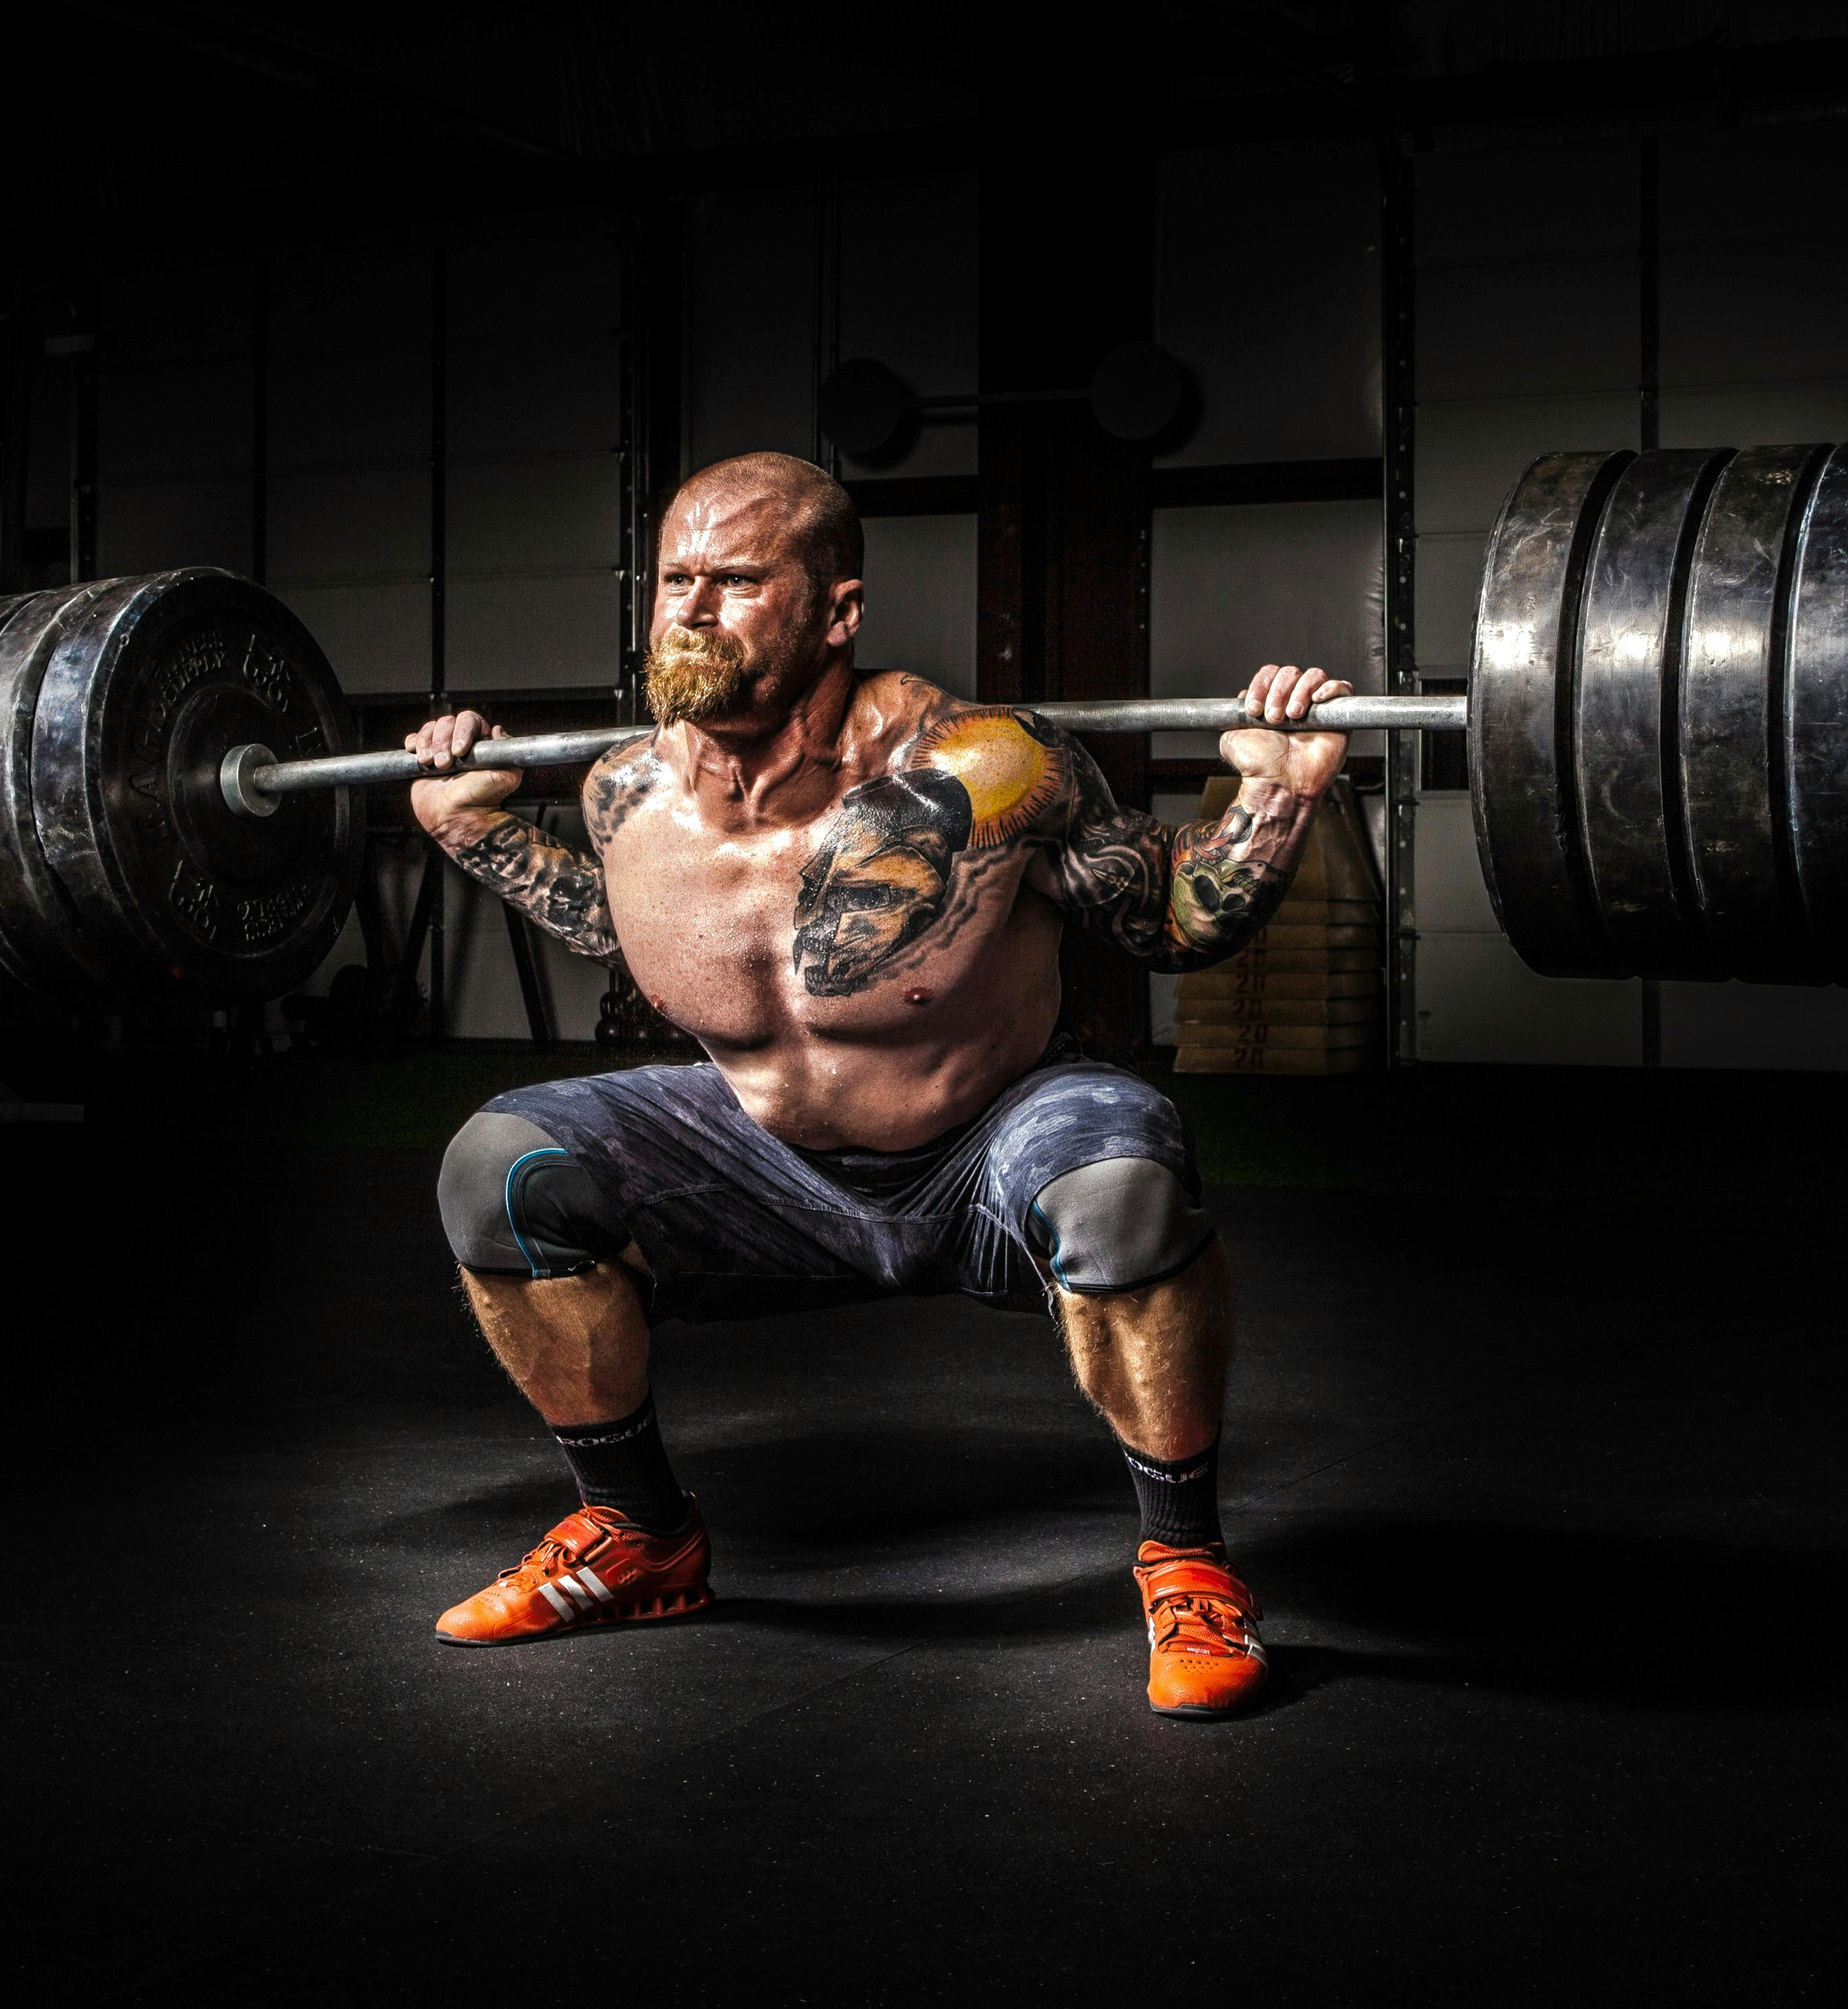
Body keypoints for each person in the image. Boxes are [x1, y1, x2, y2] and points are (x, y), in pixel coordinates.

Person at [408, 451, 1352, 1718]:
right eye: (676, 579)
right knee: (500, 1166)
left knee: (1125, 1174)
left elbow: (1174, 918)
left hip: (983, 1142)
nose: (690, 609)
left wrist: (1276, 795)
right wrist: (475, 830)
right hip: (760, 1163)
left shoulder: (995, 768)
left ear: (838, 613)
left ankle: (1186, 1561)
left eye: (736, 582)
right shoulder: (623, 790)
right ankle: (638, 1534)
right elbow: (626, 929)